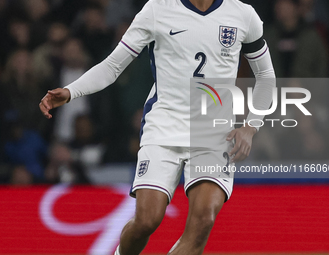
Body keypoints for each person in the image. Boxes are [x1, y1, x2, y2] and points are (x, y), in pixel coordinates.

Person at [40, 0, 275, 254]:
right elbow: (113, 65)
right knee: (146, 221)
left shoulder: (243, 14)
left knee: (203, 221)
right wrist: (71, 91)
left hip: (215, 134)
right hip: (165, 127)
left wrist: (250, 126)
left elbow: (265, 76)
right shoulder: (158, 9)